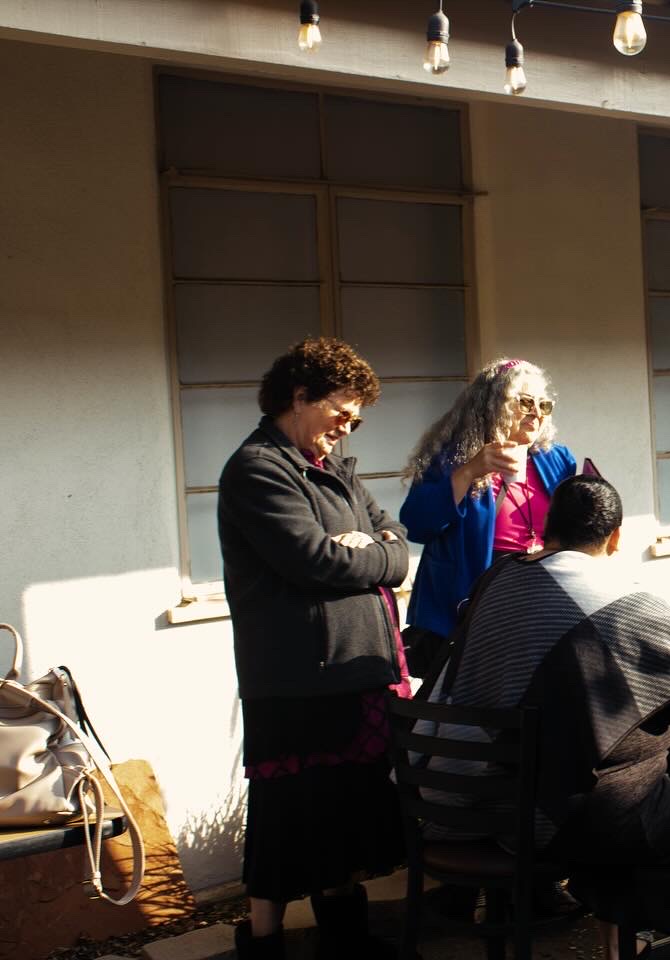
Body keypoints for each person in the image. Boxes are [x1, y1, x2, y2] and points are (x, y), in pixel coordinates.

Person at [428, 476, 670, 960]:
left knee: (613, 772)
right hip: (530, 816)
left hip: (447, 797)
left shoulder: (497, 577)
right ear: (615, 538)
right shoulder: (619, 598)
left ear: (548, 529)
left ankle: (621, 948)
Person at [218, 337, 411, 960]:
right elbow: (314, 560)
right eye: (341, 412)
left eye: (356, 419)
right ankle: (264, 945)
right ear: (299, 396)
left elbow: (399, 549)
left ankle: (344, 937)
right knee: (286, 816)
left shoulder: (336, 470)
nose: (347, 428)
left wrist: (372, 547)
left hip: (352, 672)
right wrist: (366, 550)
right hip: (295, 677)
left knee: (347, 810)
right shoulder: (258, 469)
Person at [399, 357, 575, 677]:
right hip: (468, 602)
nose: (536, 413)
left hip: (535, 596)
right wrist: (469, 472)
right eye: (525, 402)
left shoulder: (557, 459)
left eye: (544, 405)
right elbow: (417, 524)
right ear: (492, 404)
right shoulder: (452, 459)